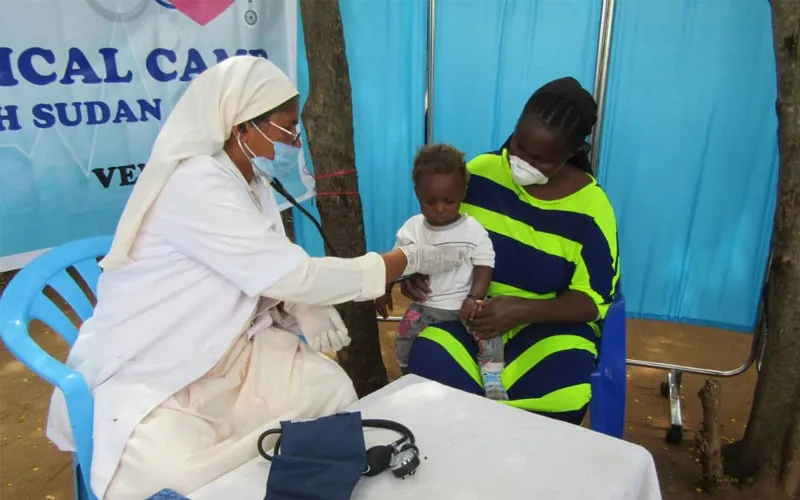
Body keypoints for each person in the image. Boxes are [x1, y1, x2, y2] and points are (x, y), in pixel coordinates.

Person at [45, 56, 468, 500]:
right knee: (178, 473)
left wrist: (295, 302)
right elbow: (290, 273)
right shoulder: (197, 184)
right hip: (159, 361)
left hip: (231, 349)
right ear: (241, 126)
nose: (294, 140)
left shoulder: (252, 184)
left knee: (328, 392)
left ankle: (284, 479)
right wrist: (402, 261)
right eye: (286, 128)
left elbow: (267, 268)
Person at [404, 77, 620, 425]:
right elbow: (438, 234)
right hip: (470, 316)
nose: (520, 162)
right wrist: (416, 267)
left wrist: (521, 310)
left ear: (571, 153)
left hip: (548, 326)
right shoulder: (480, 175)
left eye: (541, 160)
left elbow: (594, 300)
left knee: (561, 396)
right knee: (429, 368)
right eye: (518, 146)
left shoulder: (592, 209)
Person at [375, 144, 506, 400]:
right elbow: (397, 262)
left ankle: (492, 376)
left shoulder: (472, 230)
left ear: (463, 193)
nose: (439, 208)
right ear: (417, 194)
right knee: (402, 337)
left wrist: (475, 297)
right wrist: (384, 288)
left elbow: (484, 263)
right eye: (430, 201)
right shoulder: (412, 229)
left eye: (449, 201)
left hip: (465, 306)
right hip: (426, 306)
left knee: (490, 334)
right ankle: (407, 376)